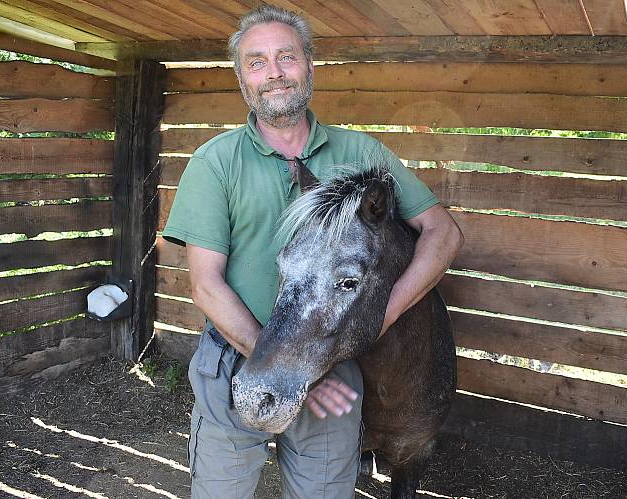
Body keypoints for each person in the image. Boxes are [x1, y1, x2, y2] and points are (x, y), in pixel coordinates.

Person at [162, 5, 464, 498]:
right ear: (242, 78)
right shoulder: (215, 163)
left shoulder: (362, 155)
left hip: (335, 374)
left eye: (287, 56)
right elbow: (205, 286)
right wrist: (286, 367)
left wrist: (382, 315)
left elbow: (443, 233)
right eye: (257, 62)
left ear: (310, 64)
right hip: (236, 364)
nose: (274, 72)